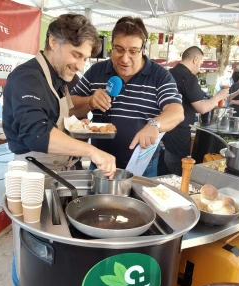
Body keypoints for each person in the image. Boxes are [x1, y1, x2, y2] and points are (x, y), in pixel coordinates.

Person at [2, 14, 116, 286]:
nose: (79, 65)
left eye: (85, 58)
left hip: (60, 173)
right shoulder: (26, 78)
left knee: (59, 246)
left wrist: (88, 105)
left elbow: (62, 112)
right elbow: (37, 133)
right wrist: (92, 150)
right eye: (76, 54)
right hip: (35, 176)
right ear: (53, 41)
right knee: (33, 253)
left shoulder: (59, 76)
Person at [70, 16, 184, 176]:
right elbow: (69, 107)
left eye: (133, 51)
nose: (124, 58)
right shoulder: (97, 71)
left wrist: (154, 125)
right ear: (111, 47)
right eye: (119, 49)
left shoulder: (160, 76)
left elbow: (176, 112)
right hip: (100, 164)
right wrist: (89, 101)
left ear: (143, 49)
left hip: (143, 167)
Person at [158, 46, 229, 176]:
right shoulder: (188, 77)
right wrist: (219, 96)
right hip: (178, 132)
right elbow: (202, 107)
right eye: (201, 63)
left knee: (162, 169)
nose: (200, 67)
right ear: (195, 59)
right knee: (177, 172)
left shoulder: (167, 74)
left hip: (162, 128)